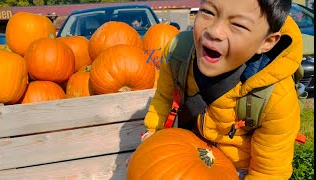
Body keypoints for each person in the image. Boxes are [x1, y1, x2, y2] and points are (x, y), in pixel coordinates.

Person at [128, 0, 303, 179]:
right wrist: (152, 139)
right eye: (208, 12)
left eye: (238, 24)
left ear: (266, 42)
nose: (214, 31)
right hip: (186, 150)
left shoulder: (277, 98)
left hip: (237, 170)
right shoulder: (179, 54)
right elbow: (164, 98)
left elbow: (268, 172)